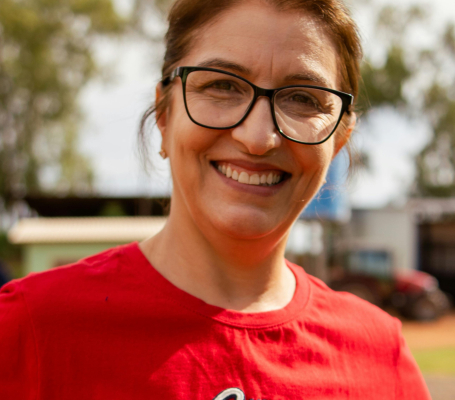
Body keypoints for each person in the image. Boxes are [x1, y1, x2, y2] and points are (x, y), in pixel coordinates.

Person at [0, 0, 431, 399]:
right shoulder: (29, 329)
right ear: (165, 116)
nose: (258, 138)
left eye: (302, 98)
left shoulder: (381, 356)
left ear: (338, 141)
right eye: (223, 86)